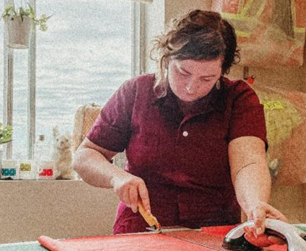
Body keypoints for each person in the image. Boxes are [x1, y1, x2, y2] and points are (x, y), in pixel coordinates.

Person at [72, 9, 287, 245]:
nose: (191, 87)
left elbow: (248, 163)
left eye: (207, 79)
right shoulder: (135, 92)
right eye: (183, 72)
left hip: (213, 236)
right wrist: (116, 177)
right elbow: (85, 156)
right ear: (166, 59)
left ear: (222, 72)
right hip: (139, 235)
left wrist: (255, 204)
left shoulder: (238, 98)